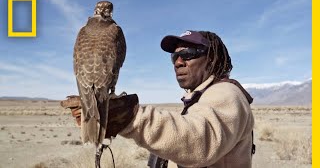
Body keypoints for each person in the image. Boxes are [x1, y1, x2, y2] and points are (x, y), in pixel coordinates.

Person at [61, 30, 255, 168]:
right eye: (174, 57)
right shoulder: (199, 98)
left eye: (188, 54)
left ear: (212, 58)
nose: (178, 62)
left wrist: (131, 117)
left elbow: (200, 141)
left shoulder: (227, 94)